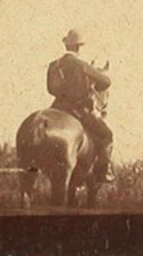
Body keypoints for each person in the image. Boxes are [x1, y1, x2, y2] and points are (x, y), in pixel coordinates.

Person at [47, 29, 115, 182]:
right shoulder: (82, 65)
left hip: (56, 108)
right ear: (78, 47)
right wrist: (94, 88)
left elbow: (51, 89)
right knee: (107, 135)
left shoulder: (53, 65)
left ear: (66, 45)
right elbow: (106, 81)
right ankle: (103, 172)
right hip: (78, 110)